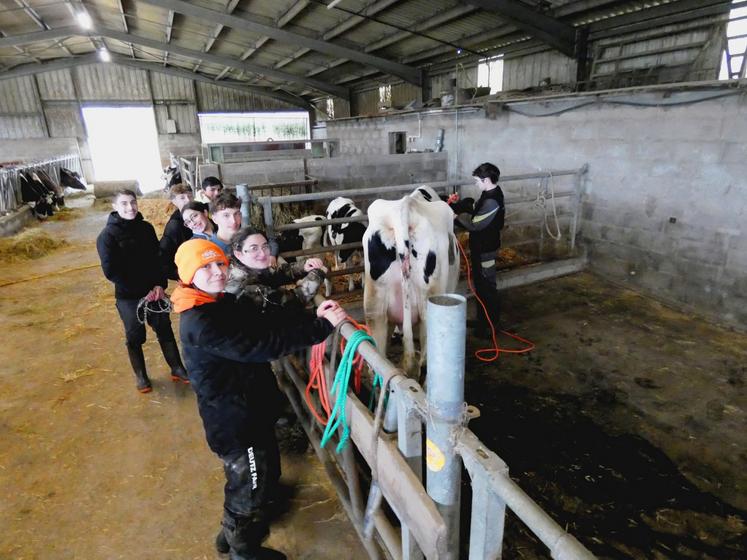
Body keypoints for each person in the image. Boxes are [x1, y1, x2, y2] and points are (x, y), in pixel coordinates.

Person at [172, 239, 346, 560]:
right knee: (247, 483)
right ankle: (242, 550)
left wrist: (312, 320)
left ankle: (231, 532)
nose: (217, 272)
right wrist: (321, 328)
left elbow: (261, 324)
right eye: (205, 267)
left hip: (249, 408)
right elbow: (260, 345)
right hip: (234, 421)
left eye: (219, 264)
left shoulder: (216, 302)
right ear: (188, 275)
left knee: (263, 472)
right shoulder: (201, 322)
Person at [96, 189, 189, 393]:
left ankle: (177, 367)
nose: (130, 207)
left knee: (164, 328)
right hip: (129, 295)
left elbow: (156, 259)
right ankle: (141, 375)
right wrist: (142, 291)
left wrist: (159, 285)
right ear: (115, 207)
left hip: (153, 291)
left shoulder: (146, 228)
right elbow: (111, 271)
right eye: (124, 204)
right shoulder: (107, 236)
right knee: (135, 335)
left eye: (133, 202)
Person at [454, 162, 505, 336]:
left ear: (486, 180)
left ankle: (491, 326)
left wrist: (454, 218)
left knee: (487, 286)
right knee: (480, 285)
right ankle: (482, 321)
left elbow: (475, 225)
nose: (476, 183)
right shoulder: (487, 194)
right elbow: (475, 208)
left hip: (486, 249)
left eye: (477, 180)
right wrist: (458, 205)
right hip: (480, 247)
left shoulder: (493, 200)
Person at [225, 227, 327, 312]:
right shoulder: (244, 287)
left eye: (265, 246)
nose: (263, 253)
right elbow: (292, 301)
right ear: (238, 254)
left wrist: (303, 266)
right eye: (254, 248)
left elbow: (274, 276)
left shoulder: (245, 269)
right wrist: (318, 275)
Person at [160, 183, 194, 280]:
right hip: (189, 271)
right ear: (174, 201)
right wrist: (180, 274)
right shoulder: (175, 225)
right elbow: (164, 254)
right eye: (182, 198)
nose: (188, 200)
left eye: (189, 196)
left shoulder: (199, 214)